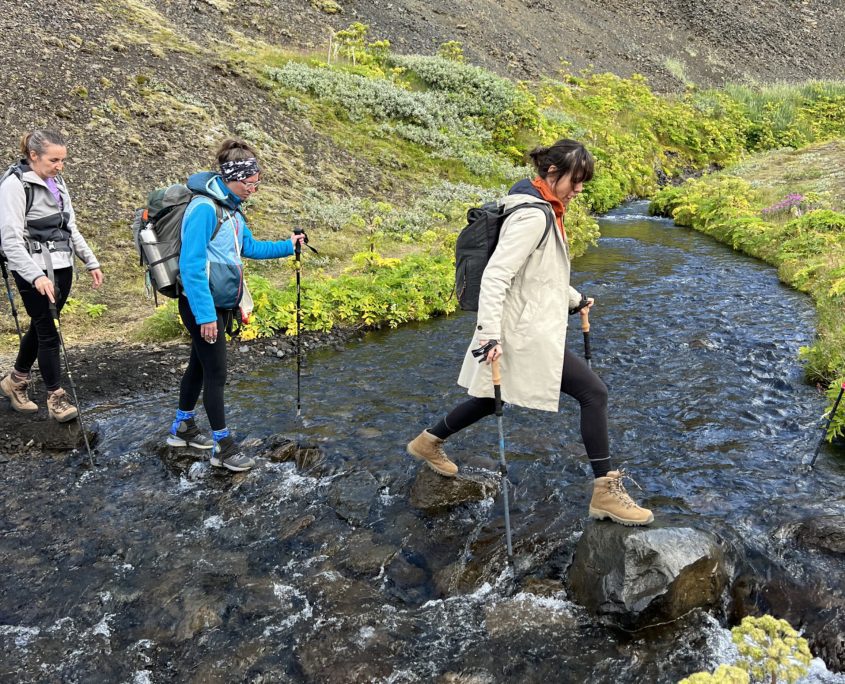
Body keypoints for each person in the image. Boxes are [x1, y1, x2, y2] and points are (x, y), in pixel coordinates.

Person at [407, 139, 653, 526]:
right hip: (519, 331)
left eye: (583, 182)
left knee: (493, 397)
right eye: (576, 180)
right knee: (594, 393)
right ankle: (605, 493)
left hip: (520, 325)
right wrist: (490, 335)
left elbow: (539, 276)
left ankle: (428, 441)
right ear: (552, 173)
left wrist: (575, 299)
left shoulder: (544, 209)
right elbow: (497, 275)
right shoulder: (533, 216)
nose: (579, 189)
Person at [168, 138, 305, 473]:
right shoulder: (204, 209)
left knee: (199, 367)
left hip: (220, 302)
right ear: (232, 178)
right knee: (216, 374)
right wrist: (204, 316)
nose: (253, 189)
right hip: (203, 304)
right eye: (250, 183)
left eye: (257, 183)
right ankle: (223, 448)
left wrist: (289, 246)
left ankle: (183, 428)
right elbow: (191, 265)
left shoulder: (231, 210)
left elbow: (251, 248)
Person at [0, 129, 103, 422]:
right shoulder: (14, 185)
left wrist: (90, 261)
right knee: (49, 332)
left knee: (42, 324)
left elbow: (70, 226)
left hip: (61, 266)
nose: (59, 166)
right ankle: (56, 398)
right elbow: (10, 240)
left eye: (62, 160)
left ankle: (15, 381)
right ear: (34, 156)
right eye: (54, 160)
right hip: (31, 269)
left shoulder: (57, 182)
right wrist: (35, 276)